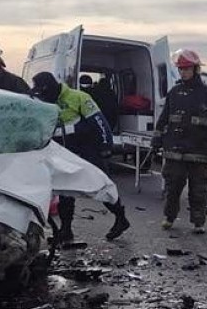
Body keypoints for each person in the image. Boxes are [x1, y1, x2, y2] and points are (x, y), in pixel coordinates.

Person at [30, 71, 131, 242]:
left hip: (88, 148)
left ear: (51, 88)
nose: (43, 97)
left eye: (43, 93)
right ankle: (66, 230)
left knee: (99, 185)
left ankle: (121, 218)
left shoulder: (79, 97)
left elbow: (100, 122)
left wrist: (106, 146)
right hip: (65, 151)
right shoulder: (45, 102)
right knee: (65, 190)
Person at [151, 48, 207, 234]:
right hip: (175, 151)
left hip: (200, 151)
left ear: (195, 69)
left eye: (186, 69)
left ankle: (198, 222)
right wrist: (157, 139)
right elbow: (165, 117)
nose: (183, 72)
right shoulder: (174, 92)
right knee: (172, 187)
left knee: (199, 190)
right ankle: (169, 217)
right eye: (181, 69)